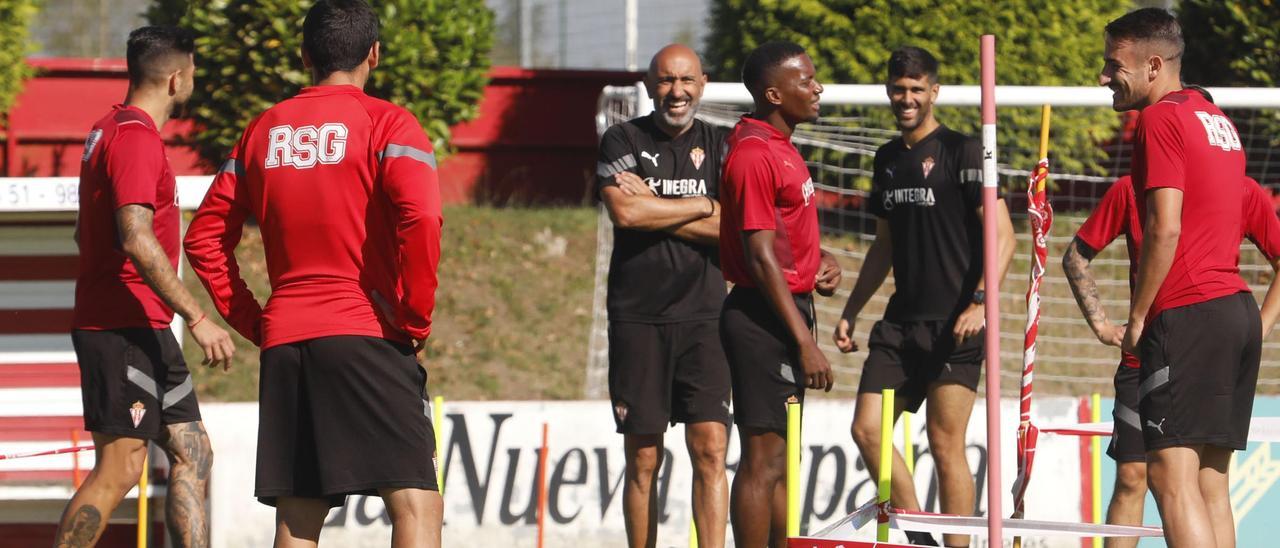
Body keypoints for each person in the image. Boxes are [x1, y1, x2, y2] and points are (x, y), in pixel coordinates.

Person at [183, 1, 443, 546]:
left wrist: (260, 323)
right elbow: (421, 216)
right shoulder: (390, 123)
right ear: (374, 54)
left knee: (298, 519)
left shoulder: (261, 131)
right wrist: (415, 319)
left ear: (304, 55)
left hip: (288, 342)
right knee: (416, 507)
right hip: (366, 331)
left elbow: (204, 238)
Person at [58, 25, 234, 548]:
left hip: (144, 324)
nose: (194, 82)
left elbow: (83, 231)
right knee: (120, 469)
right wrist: (197, 316)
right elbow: (135, 237)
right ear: (176, 77)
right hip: (121, 327)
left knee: (193, 451)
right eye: (195, 73)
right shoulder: (134, 138)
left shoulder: (109, 130)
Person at [832, 46, 1015, 548]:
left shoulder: (964, 150)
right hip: (899, 325)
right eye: (898, 89)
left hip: (957, 323)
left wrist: (981, 301)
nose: (907, 98)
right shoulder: (887, 160)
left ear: (934, 92)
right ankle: (921, 540)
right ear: (888, 92)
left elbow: (1004, 236)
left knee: (944, 443)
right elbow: (883, 246)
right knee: (867, 430)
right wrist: (851, 309)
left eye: (917, 89)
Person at [1100, 8, 1257, 548]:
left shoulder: (1160, 119)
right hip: (1235, 312)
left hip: (1187, 313)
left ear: (1153, 65)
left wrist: (1139, 315)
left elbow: (1164, 229)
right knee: (1210, 483)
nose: (1103, 78)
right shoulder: (1218, 121)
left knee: (1168, 476)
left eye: (1112, 65)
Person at [1064, 169, 1280, 548]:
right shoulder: (1132, 188)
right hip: (1148, 356)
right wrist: (1103, 326)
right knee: (1134, 475)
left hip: (1207, 349)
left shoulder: (1239, 187)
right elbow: (1076, 257)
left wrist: (1259, 328)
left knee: (1207, 482)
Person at [596, 44, 730, 548]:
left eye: (687, 80)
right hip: (638, 318)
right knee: (644, 457)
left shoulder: (723, 143)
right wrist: (703, 203)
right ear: (651, 85)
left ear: (704, 82)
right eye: (667, 81)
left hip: (706, 316)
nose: (678, 92)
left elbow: (734, 228)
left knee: (711, 449)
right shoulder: (622, 138)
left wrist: (655, 202)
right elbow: (626, 216)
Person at [719, 40, 842, 548]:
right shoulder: (752, 153)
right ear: (773, 92)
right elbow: (760, 256)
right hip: (761, 320)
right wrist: (805, 342)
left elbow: (784, 239)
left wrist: (821, 261)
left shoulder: (780, 144)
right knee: (763, 458)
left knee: (783, 455)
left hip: (787, 309)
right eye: (806, 80)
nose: (817, 87)